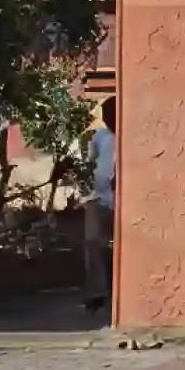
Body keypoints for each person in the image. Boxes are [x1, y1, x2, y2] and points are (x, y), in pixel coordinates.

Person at [83, 96, 115, 313]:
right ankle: (96, 292)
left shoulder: (133, 135)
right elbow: (88, 162)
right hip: (98, 197)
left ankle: (117, 290)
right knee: (93, 243)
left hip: (122, 198)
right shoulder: (99, 137)